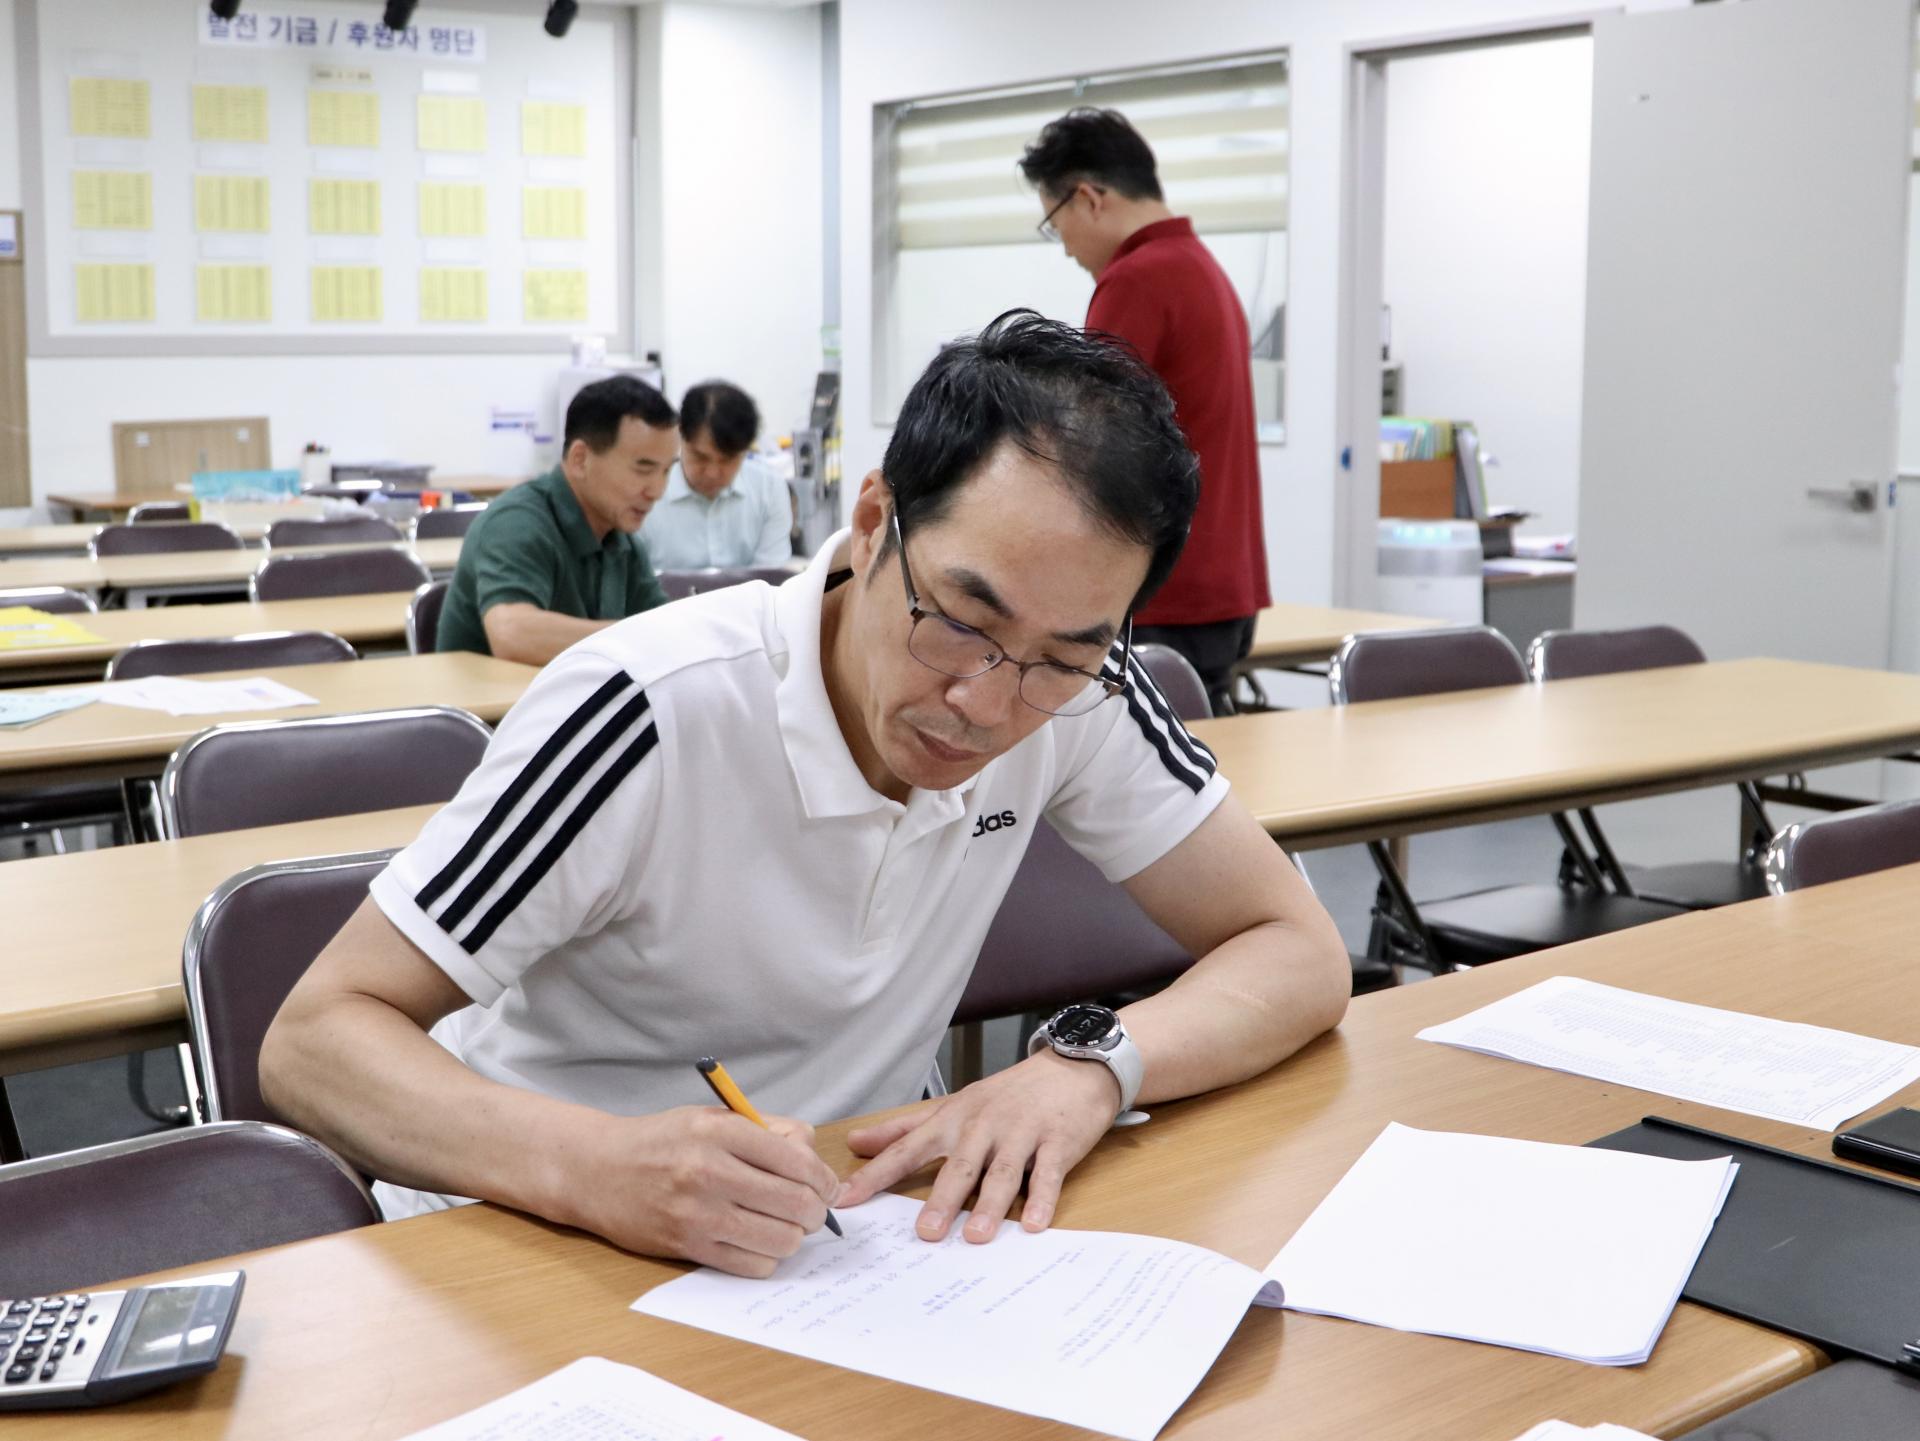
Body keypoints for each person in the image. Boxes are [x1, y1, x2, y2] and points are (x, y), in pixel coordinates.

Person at [260, 310, 1348, 1281]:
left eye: (1060, 657)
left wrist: (1090, 1065)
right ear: (873, 522)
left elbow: (1297, 948)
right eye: (958, 620)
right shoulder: (646, 706)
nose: (983, 702)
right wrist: (596, 1165)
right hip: (529, 1242)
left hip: (845, 1245)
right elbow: (314, 1041)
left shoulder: (1083, 692)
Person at [1020, 107, 1270, 714]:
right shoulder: (1203, 268)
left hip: (1163, 590)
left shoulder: (1136, 280)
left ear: (1088, 198)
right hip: (1223, 587)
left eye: (1055, 223)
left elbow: (1086, 444)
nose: (1066, 248)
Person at [435, 375, 677, 664]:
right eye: (643, 469)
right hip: (489, 695)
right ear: (580, 460)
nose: (657, 491)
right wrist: (634, 638)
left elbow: (665, 631)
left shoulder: (622, 540)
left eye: (666, 471)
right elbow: (513, 634)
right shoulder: (516, 523)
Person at [639, 381, 795, 571]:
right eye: (700, 457)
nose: (712, 473)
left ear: (746, 450)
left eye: (727, 460)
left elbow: (771, 576)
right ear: (679, 436)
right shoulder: (645, 491)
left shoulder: (769, 489)